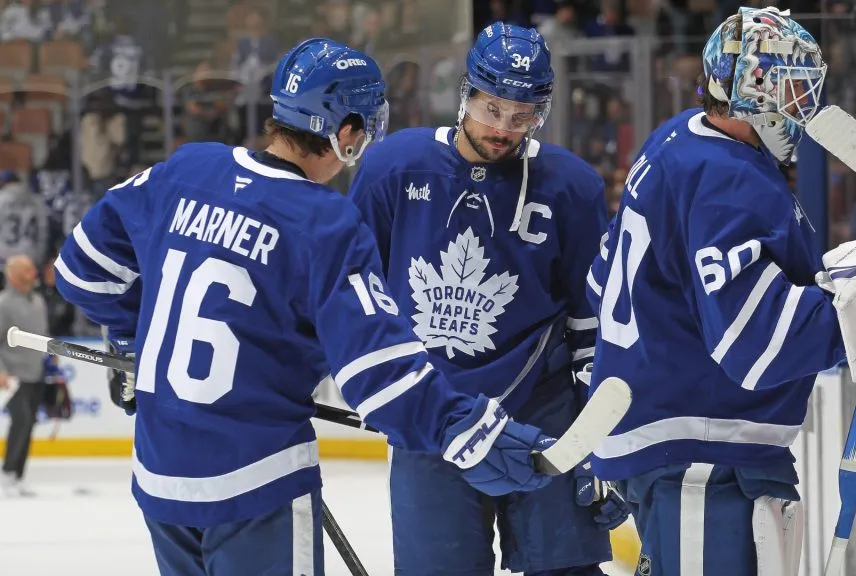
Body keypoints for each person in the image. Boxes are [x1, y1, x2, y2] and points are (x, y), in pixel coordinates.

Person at [52, 38, 555, 576]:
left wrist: (132, 335)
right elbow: (378, 371)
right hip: (257, 482)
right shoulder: (323, 223)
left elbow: (81, 271)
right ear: (345, 132)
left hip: (159, 479)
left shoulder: (186, 169)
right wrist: (468, 429)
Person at [348, 22, 628, 576]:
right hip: (433, 410)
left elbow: (591, 318)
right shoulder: (393, 169)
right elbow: (355, 292)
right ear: (467, 94)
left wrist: (602, 437)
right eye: (493, 108)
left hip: (543, 415)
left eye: (522, 115)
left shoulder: (571, 187)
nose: (504, 128)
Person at [586, 7, 844, 575]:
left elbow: (600, 280)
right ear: (756, 89)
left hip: (670, 440)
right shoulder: (728, 178)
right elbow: (754, 345)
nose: (803, 109)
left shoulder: (678, 139)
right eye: (794, 91)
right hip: (701, 453)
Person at [0, 255, 48, 497]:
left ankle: (17, 475)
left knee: (29, 424)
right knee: (21, 420)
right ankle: (7, 472)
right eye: (28, 270)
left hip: (35, 374)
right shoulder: (4, 304)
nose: (34, 273)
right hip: (12, 376)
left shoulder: (38, 301)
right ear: (14, 275)